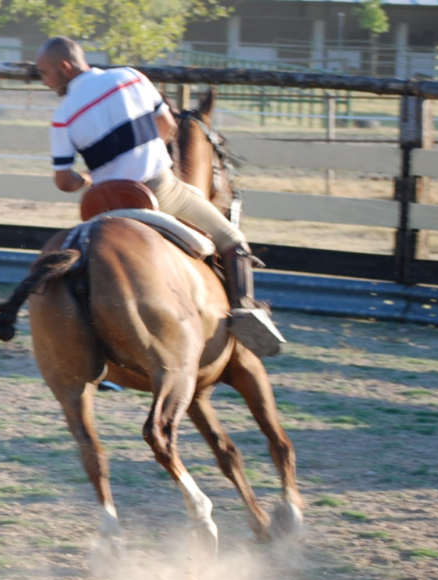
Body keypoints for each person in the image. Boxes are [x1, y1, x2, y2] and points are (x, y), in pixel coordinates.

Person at [34, 36, 285, 357]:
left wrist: (87, 176)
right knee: (233, 238)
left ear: (65, 67)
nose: (45, 81)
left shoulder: (63, 115)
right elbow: (167, 126)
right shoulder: (130, 77)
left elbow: (64, 182)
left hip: (107, 207)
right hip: (161, 191)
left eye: (45, 73)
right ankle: (246, 312)